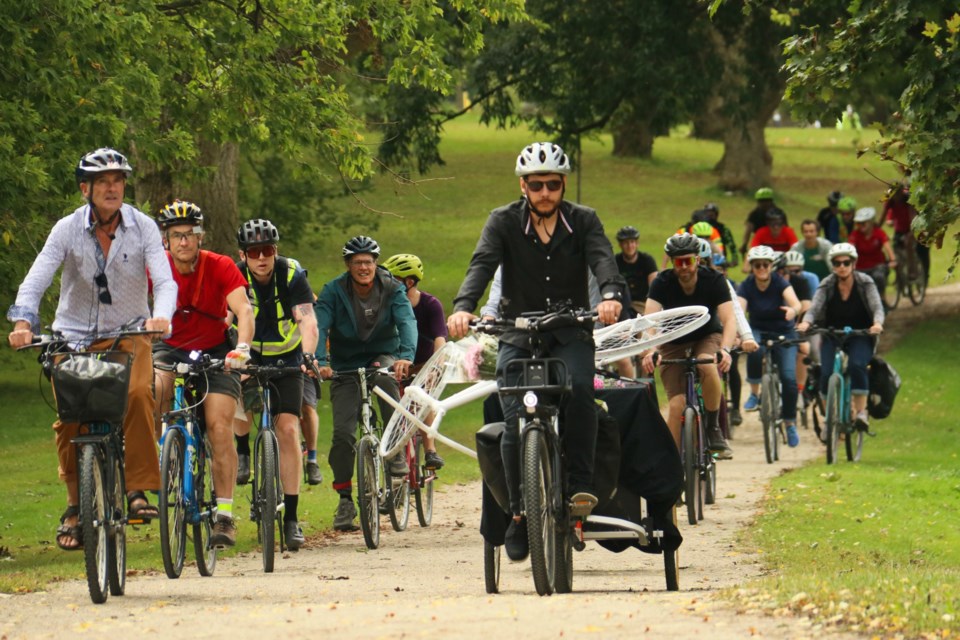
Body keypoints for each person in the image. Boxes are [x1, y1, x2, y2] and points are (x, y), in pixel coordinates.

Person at [447, 141, 624, 562]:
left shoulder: (584, 221)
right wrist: (463, 308)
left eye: (552, 184)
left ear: (563, 185)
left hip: (571, 332)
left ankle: (580, 487)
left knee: (581, 390)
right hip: (516, 333)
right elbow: (482, 265)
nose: (545, 192)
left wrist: (611, 296)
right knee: (512, 418)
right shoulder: (502, 222)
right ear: (523, 186)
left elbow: (603, 261)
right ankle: (520, 514)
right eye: (536, 184)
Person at [7, 147, 176, 551]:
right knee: (69, 418)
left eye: (118, 181)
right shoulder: (66, 229)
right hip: (73, 335)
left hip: (130, 332)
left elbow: (165, 280)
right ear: (86, 188)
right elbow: (36, 279)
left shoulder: (144, 227)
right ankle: (75, 506)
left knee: (137, 395)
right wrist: (23, 321)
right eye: (103, 182)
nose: (112, 187)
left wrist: (161, 315)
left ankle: (138, 488)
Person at [152, 200, 254, 547]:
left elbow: (243, 308)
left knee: (219, 426)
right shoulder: (157, 268)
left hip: (215, 351)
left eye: (190, 235)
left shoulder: (221, 265)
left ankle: (224, 516)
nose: (183, 242)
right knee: (154, 388)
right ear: (166, 239)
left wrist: (242, 348)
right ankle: (159, 454)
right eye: (176, 235)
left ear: (200, 236)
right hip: (169, 348)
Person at [314, 236, 417, 532]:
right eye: (357, 262)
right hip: (344, 363)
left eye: (368, 262)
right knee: (343, 434)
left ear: (376, 263)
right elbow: (321, 325)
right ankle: (345, 499)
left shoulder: (392, 288)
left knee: (387, 388)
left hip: (381, 355)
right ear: (348, 265)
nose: (364, 267)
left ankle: (395, 450)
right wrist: (321, 361)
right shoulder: (333, 291)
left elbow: (407, 321)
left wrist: (405, 357)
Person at [232, 218, 319, 551]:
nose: (261, 258)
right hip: (249, 355)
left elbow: (307, 319)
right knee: (236, 392)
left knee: (287, 430)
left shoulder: (291, 273)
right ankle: (242, 453)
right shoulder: (236, 276)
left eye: (267, 250)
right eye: (254, 252)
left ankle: (292, 518)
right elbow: (225, 315)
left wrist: (308, 355)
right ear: (244, 255)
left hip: (287, 360)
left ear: (275, 251)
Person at [641, 233, 738, 458]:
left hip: (707, 335)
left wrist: (725, 350)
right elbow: (649, 321)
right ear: (672, 263)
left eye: (689, 261)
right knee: (676, 405)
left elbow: (729, 319)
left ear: (697, 260)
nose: (684, 267)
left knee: (706, 365)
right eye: (678, 262)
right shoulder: (661, 282)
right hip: (673, 340)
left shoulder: (714, 279)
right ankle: (673, 468)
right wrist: (651, 350)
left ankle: (714, 427)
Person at [797, 243, 884, 431]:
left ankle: (861, 412)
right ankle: (829, 417)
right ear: (832, 265)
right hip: (832, 334)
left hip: (860, 334)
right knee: (826, 372)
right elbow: (814, 308)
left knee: (857, 365)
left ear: (853, 263)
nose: (841, 267)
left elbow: (877, 307)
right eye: (837, 263)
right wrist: (807, 322)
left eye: (846, 262)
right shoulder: (827, 284)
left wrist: (877, 324)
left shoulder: (865, 282)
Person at [382, 253, 447, 469]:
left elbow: (440, 339)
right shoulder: (386, 304)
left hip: (422, 366)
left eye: (393, 279)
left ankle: (430, 450)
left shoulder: (430, 305)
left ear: (409, 282)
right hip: (394, 365)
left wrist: (435, 366)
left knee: (422, 399)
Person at [737, 246, 804, 447]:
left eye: (765, 264)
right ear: (752, 267)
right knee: (754, 348)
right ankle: (755, 393)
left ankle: (790, 422)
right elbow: (740, 311)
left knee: (789, 378)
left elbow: (797, 304)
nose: (761, 268)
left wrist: (793, 311)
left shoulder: (779, 282)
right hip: (758, 329)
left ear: (771, 266)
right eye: (757, 265)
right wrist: (741, 335)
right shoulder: (747, 285)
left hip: (784, 331)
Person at [883, 183, 929, 286]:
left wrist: (911, 233)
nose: (895, 197)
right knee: (895, 249)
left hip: (912, 228)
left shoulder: (908, 201)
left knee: (908, 244)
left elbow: (913, 218)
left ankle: (912, 270)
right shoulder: (890, 202)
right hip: (900, 229)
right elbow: (883, 217)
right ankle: (898, 276)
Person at [848, 207, 896, 306]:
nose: (860, 226)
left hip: (877, 265)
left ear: (871, 222)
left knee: (879, 277)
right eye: (858, 223)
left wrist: (892, 259)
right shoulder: (855, 234)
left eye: (863, 223)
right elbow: (850, 249)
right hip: (860, 267)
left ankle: (882, 298)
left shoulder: (879, 232)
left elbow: (887, 247)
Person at [614, 225, 658, 316]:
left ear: (637, 243)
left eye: (632, 242)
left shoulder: (647, 260)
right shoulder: (615, 262)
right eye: (626, 243)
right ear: (620, 245)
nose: (630, 246)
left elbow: (654, 287)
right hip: (622, 305)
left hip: (643, 304)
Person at [741, 187, 788, 257]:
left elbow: (785, 229)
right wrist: (744, 244)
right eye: (761, 201)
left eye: (766, 201)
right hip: (761, 242)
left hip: (777, 242)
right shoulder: (754, 214)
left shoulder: (779, 213)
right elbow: (748, 229)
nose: (764, 204)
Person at [702, 202, 739, 268]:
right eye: (707, 214)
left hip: (720, 261)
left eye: (712, 214)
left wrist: (734, 259)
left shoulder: (722, 228)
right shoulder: (699, 228)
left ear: (716, 215)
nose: (709, 216)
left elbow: (732, 245)